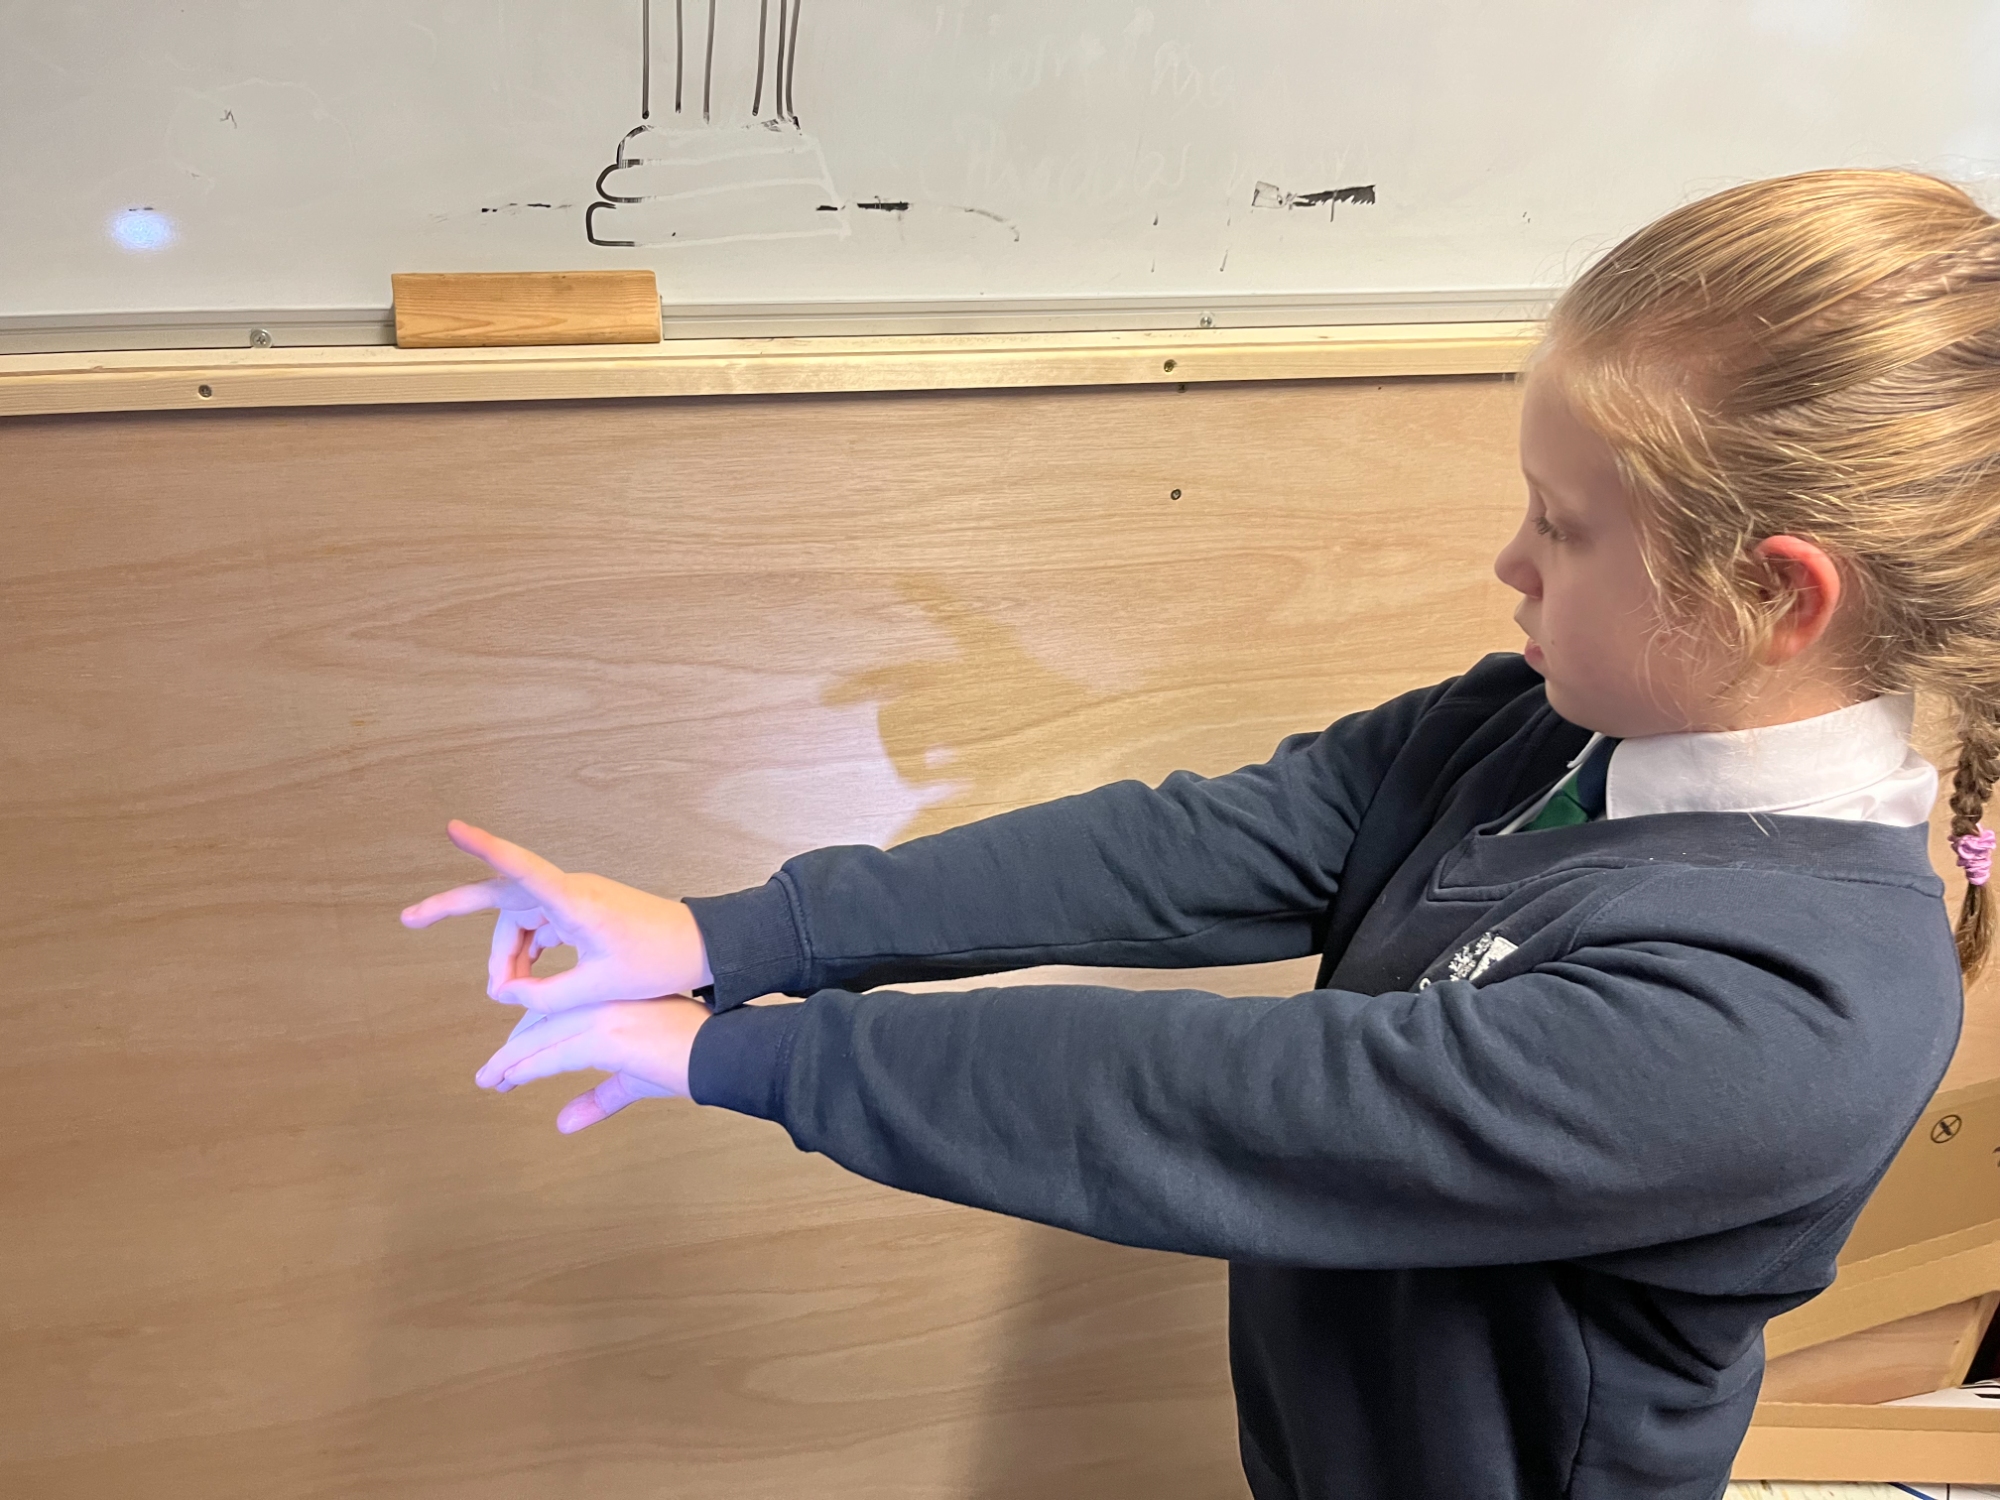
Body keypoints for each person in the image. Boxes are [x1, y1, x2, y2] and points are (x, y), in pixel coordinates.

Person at [400, 168, 2000, 1499]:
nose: (1510, 563)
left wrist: (727, 1053)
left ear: (1773, 597)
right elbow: (1221, 841)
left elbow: (1237, 1103)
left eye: (1565, 528)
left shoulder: (1788, 1021)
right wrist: (726, 936)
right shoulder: (1553, 722)